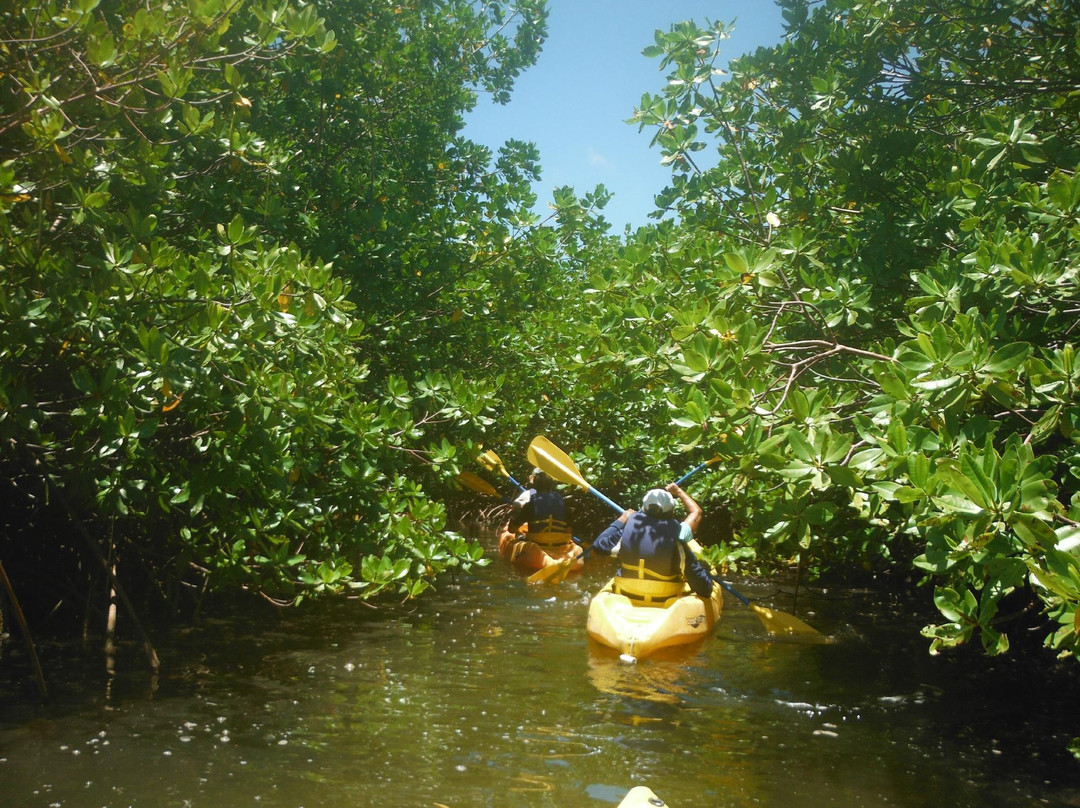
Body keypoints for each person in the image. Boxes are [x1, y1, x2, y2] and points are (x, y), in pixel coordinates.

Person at [590, 482, 714, 605]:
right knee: (701, 567)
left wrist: (623, 518)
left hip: (628, 593)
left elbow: (599, 545)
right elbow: (704, 589)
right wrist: (706, 572)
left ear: (643, 509)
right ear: (671, 512)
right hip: (665, 598)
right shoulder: (678, 538)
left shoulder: (627, 533)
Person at [498, 468, 584, 572]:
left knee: (518, 536)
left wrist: (514, 516)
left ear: (535, 486)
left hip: (537, 545)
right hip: (560, 544)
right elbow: (569, 530)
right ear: (551, 486)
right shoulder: (562, 502)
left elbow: (512, 529)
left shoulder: (531, 504)